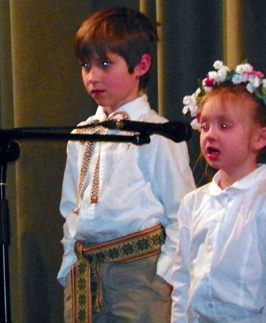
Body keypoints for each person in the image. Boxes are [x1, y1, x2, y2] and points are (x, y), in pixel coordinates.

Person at [58, 7, 196, 323]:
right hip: (87, 273)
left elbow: (181, 213)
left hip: (140, 275)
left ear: (141, 65)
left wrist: (163, 276)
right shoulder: (82, 132)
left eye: (106, 64)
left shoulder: (157, 132)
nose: (93, 77)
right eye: (86, 65)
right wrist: (69, 262)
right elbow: (71, 207)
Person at [172, 60, 266, 322]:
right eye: (205, 126)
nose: (209, 135)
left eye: (224, 126)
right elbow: (182, 279)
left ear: (259, 138)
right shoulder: (193, 203)